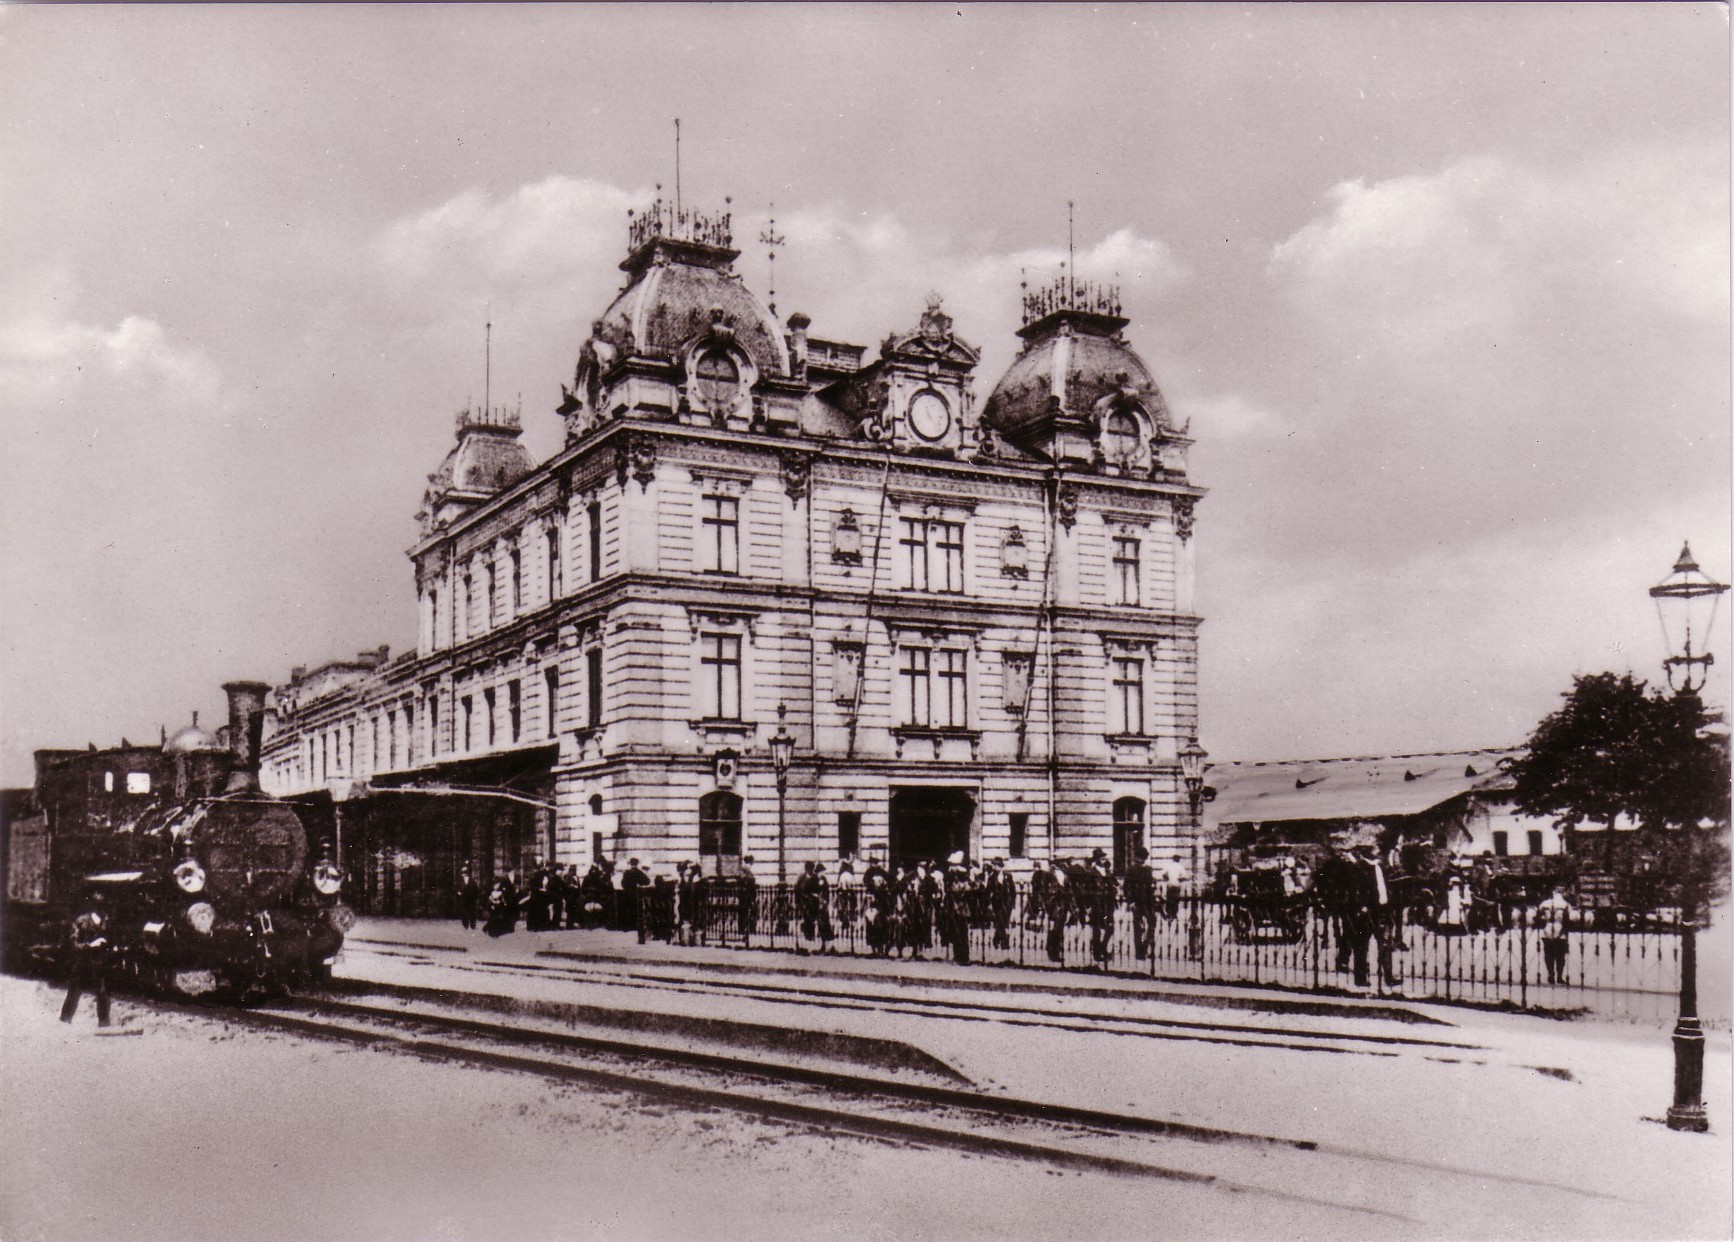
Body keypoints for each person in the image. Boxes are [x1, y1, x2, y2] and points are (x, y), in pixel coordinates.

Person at [1345, 843, 1400, 990]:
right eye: (1373, 851)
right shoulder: (1359, 868)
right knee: (1362, 945)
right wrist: (1361, 905)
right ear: (1367, 853)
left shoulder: (1380, 866)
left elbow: (1385, 886)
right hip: (1367, 911)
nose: (1376, 853)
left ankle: (1388, 977)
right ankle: (1360, 978)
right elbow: (1354, 888)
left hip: (1382, 910)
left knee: (1385, 943)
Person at [60, 889, 113, 1027]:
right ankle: (65, 1019)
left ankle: (104, 1022)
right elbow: (74, 944)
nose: (102, 910)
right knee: (74, 990)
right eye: (99, 906)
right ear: (93, 906)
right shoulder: (81, 921)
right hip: (83, 960)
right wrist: (90, 945)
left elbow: (110, 940)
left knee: (101, 992)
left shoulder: (106, 922)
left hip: (98, 961)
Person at [1123, 847, 1158, 960]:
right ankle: (1140, 952)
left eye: (1144, 857)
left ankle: (1145, 947)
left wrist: (1154, 889)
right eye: (1141, 857)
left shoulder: (1148, 869)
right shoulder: (1131, 869)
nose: (1142, 859)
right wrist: (1130, 901)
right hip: (1137, 901)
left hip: (1148, 901)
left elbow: (1151, 885)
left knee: (1152, 922)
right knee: (1139, 926)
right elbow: (1126, 887)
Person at [1085, 849, 1118, 967]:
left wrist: (1114, 890)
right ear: (1097, 859)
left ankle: (1103, 947)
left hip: (1108, 903)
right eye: (1101, 857)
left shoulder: (1107, 871)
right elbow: (1087, 889)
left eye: (1104, 857)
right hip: (1097, 903)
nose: (1104, 859)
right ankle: (1097, 953)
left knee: (1110, 927)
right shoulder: (1091, 872)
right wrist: (1088, 906)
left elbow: (1113, 885)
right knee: (1097, 928)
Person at [1536, 886, 1572, 985]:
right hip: (1560, 931)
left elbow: (1538, 917)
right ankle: (1559, 976)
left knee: (1548, 954)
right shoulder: (1565, 904)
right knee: (1560, 955)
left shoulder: (1545, 903)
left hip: (1547, 929)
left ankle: (1551, 975)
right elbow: (1568, 919)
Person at [621, 858, 651, 942]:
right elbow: (647, 881)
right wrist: (639, 884)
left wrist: (628, 888)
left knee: (629, 913)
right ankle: (641, 937)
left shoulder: (627, 873)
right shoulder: (639, 872)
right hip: (638, 896)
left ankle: (628, 928)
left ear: (630, 864)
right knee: (639, 916)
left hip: (628, 897)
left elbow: (623, 884)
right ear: (637, 864)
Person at [457, 862, 481, 932]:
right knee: (464, 912)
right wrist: (459, 893)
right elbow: (457, 889)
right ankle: (465, 925)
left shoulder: (472, 881)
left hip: (471, 899)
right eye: (463, 873)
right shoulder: (460, 881)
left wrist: (476, 897)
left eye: (465, 872)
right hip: (463, 899)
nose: (464, 874)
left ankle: (472, 925)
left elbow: (476, 890)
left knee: (472, 912)